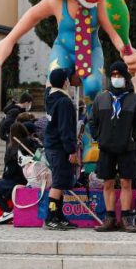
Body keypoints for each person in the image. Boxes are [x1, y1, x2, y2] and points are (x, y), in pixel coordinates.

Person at [89, 61, 136, 233]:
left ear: (126, 77)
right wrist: (98, 136)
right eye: (113, 75)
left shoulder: (135, 100)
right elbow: (92, 121)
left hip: (127, 148)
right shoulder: (101, 98)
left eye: (119, 75)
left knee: (125, 182)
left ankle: (126, 218)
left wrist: (133, 138)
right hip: (106, 147)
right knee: (107, 183)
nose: (116, 78)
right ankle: (109, 219)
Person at [43, 68, 78, 230]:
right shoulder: (64, 102)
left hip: (52, 145)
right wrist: (71, 150)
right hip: (59, 148)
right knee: (58, 183)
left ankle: (59, 215)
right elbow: (65, 129)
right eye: (67, 79)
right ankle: (50, 217)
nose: (69, 81)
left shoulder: (51, 96)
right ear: (64, 82)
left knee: (62, 182)